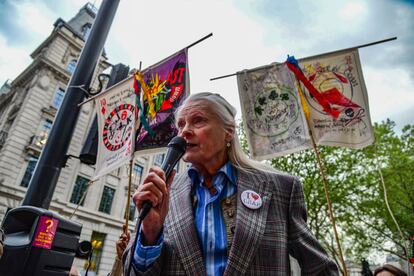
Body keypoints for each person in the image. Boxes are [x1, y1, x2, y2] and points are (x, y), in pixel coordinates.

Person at [122, 92, 339, 275]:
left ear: (229, 131)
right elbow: (133, 271)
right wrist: (150, 233)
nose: (184, 131)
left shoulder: (281, 188)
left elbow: (321, 269)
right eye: (180, 125)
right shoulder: (163, 194)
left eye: (198, 120)